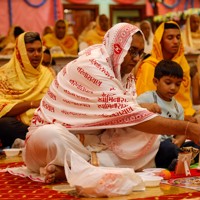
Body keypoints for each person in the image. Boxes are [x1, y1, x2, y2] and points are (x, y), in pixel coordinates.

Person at [22, 23, 200, 184]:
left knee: (150, 137)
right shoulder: (91, 66)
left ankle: (78, 167)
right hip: (61, 139)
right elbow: (134, 117)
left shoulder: (124, 74)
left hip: (94, 143)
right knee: (51, 136)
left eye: (140, 53)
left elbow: (131, 116)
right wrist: (187, 128)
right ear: (117, 48)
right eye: (132, 51)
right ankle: (84, 166)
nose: (137, 58)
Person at [137, 60, 199, 169]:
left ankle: (179, 162)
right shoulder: (147, 98)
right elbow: (132, 110)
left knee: (195, 147)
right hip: (154, 146)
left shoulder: (177, 107)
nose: (173, 88)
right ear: (156, 82)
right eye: (168, 82)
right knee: (168, 148)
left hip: (172, 145)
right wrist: (144, 106)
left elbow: (182, 131)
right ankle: (176, 163)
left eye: (177, 84)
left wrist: (179, 141)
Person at [0, 32, 55, 148]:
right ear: (20, 53)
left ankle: (34, 141)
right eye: (31, 51)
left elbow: (54, 103)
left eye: (39, 50)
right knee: (5, 124)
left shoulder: (47, 74)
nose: (37, 54)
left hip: (42, 123)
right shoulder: (4, 75)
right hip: (18, 126)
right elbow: (2, 108)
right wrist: (31, 104)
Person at [136, 21, 196, 123]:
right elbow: (145, 104)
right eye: (170, 38)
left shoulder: (183, 63)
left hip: (185, 113)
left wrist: (185, 116)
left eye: (178, 37)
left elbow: (186, 100)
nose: (176, 41)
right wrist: (179, 119)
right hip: (159, 118)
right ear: (160, 41)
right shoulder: (150, 66)